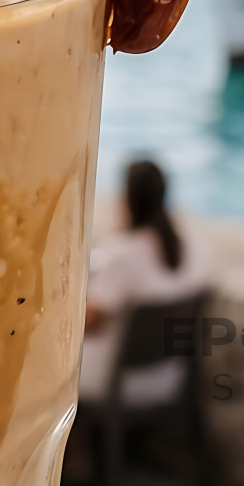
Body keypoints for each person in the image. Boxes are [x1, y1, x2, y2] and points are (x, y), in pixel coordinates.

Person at [77, 158, 208, 406]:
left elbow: (88, 322)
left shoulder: (124, 256)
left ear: (128, 199)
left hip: (120, 383)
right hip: (170, 375)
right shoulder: (189, 241)